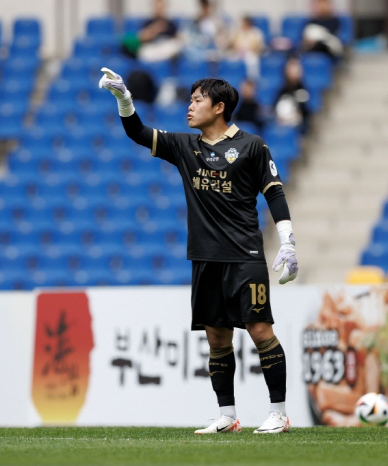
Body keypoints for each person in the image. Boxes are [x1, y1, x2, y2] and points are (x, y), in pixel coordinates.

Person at [99, 67, 299, 434]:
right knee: (217, 338)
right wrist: (124, 99)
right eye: (190, 100)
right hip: (205, 258)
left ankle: (279, 413)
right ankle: (227, 415)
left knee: (259, 330)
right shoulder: (184, 147)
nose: (189, 107)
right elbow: (138, 132)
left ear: (219, 107)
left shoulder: (253, 145)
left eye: (196, 100)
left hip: (245, 256)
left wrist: (287, 239)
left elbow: (274, 190)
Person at [274, 57, 311, 133]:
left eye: (296, 68)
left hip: (298, 128)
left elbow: (306, 112)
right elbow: (274, 108)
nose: (294, 71)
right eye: (291, 68)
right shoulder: (281, 91)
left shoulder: (303, 91)